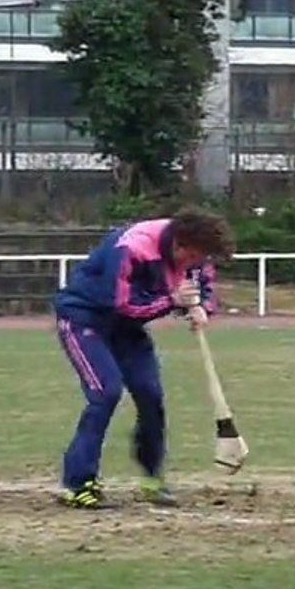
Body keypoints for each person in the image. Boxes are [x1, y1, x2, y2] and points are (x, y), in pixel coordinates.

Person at [52, 206, 235, 509]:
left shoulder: (195, 252)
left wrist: (201, 306)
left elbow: (201, 284)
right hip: (85, 319)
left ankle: (152, 478)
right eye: (193, 257)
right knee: (105, 392)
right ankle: (77, 483)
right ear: (179, 245)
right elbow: (122, 304)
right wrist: (172, 302)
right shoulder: (131, 248)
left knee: (151, 395)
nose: (197, 263)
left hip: (127, 329)